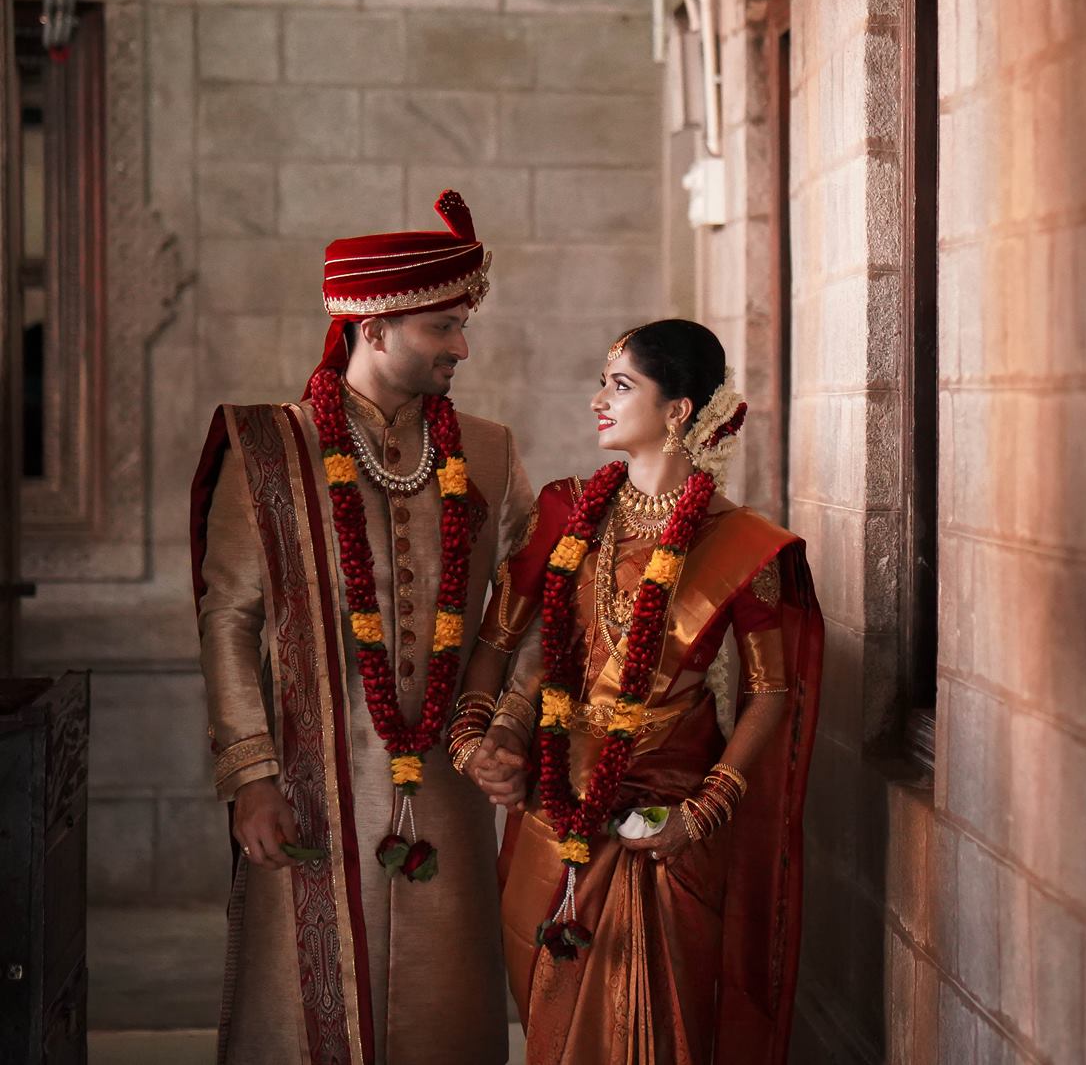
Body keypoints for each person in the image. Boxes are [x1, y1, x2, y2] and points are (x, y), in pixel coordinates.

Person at [190, 190, 533, 1065]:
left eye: (462, 325)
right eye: (442, 328)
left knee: (449, 1012)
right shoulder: (268, 448)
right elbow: (230, 616)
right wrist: (251, 777)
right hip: (310, 780)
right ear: (372, 328)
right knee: (304, 1018)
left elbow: (531, 608)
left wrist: (505, 727)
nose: (462, 346)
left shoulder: (488, 451)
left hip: (450, 789)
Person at [461, 319, 822, 1064]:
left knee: (662, 1019)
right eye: (604, 382)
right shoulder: (567, 512)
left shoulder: (742, 544)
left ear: (679, 410)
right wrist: (480, 736)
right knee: (553, 1011)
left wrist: (704, 811)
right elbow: (502, 641)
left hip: (666, 811)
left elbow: (774, 693)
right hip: (553, 803)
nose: (599, 399)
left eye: (621, 385)